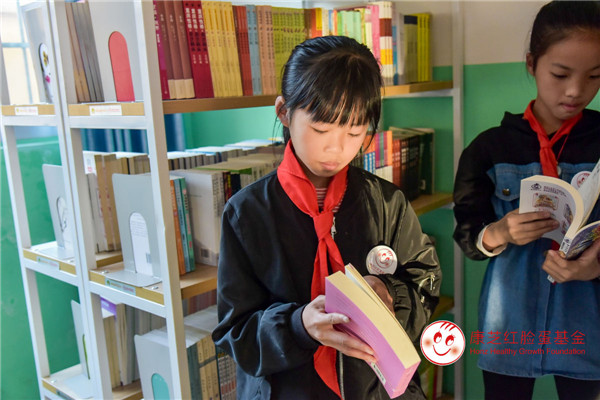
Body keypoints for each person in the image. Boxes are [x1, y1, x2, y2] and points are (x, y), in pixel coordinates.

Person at [212, 35, 441, 400]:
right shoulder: (246, 213)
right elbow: (234, 333)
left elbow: (424, 285)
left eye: (354, 132)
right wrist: (298, 325)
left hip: (375, 390)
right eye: (321, 129)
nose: (337, 147)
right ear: (284, 112)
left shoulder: (387, 203)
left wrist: (390, 294)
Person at [453, 2, 600, 399]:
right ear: (532, 64)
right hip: (510, 321)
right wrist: (499, 232)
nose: (576, 90)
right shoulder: (489, 148)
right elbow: (467, 234)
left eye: (594, 76)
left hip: (586, 320)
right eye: (560, 74)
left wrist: (595, 267)